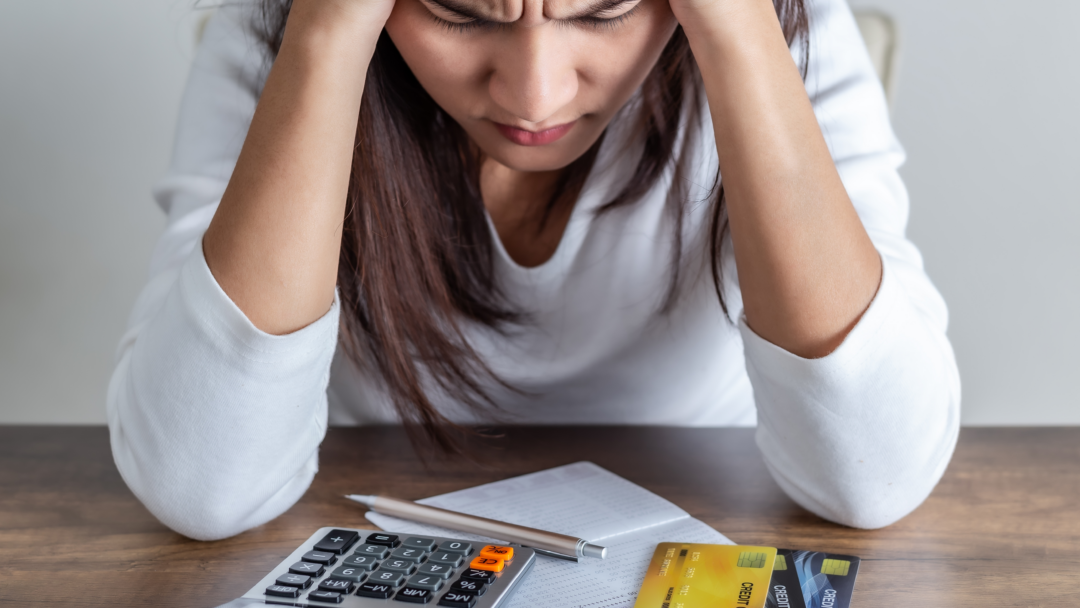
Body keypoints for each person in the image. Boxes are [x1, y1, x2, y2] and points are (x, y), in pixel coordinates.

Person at [107, 0, 960, 542]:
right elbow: (203, 486)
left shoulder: (793, 30)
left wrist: (738, 31)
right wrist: (328, 36)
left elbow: (872, 478)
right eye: (459, 13)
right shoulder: (274, 37)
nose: (534, 97)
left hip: (704, 540)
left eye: (605, 9)